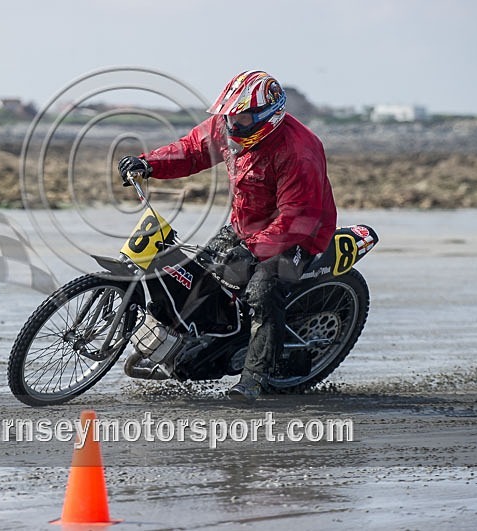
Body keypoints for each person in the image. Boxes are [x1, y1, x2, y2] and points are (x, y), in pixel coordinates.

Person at [117, 70, 337, 402]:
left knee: (264, 290)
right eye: (230, 116)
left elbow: (296, 216)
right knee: (199, 274)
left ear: (269, 115)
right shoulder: (231, 128)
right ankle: (197, 342)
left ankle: (255, 377)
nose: (233, 124)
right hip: (244, 223)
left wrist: (254, 250)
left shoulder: (300, 150)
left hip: (299, 235)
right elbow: (191, 150)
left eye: (243, 117)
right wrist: (149, 164)